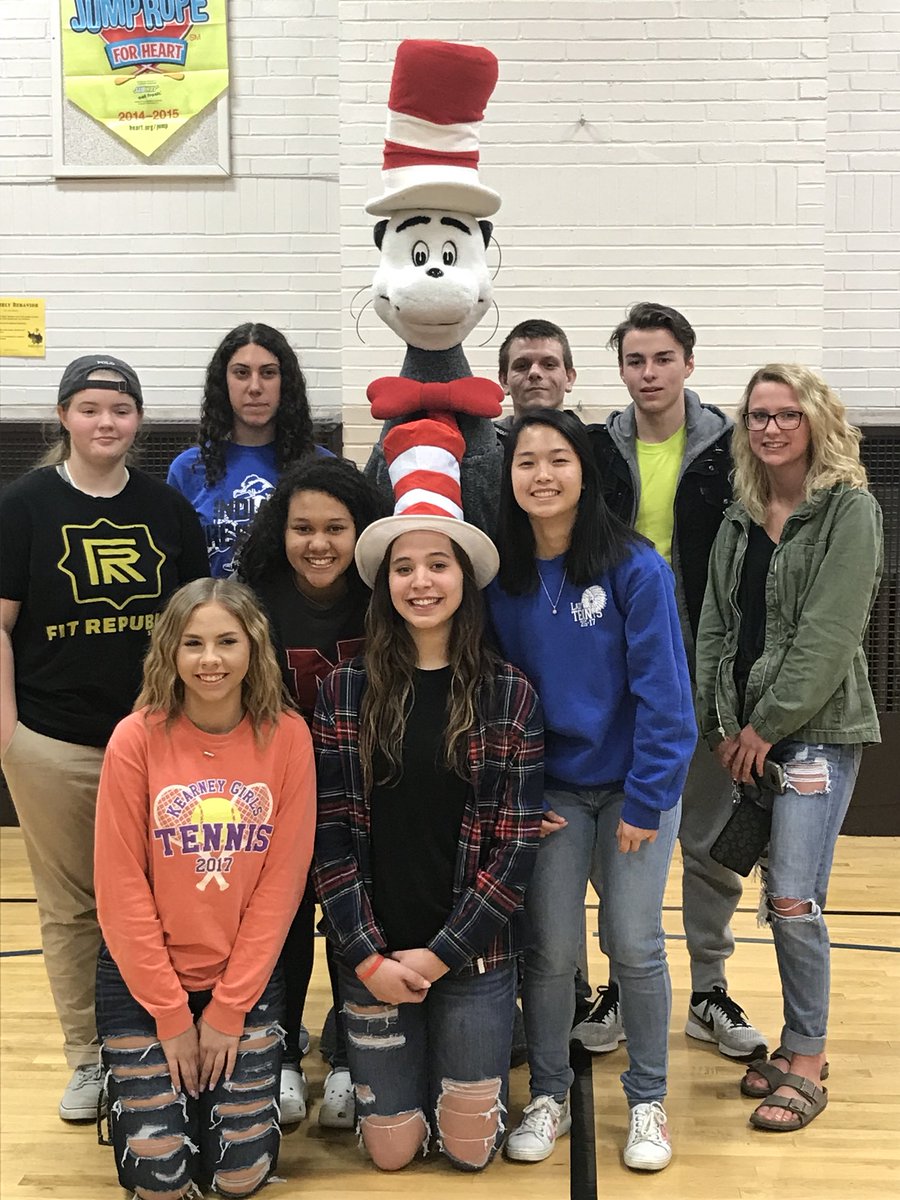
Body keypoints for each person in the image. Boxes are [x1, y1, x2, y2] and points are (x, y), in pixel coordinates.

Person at [0, 354, 209, 1122]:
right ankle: (88, 1059)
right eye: (90, 409)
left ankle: (161, 1039)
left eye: (120, 410)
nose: (105, 423)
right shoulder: (23, 506)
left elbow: (200, 627)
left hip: (158, 742)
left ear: (138, 422)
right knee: (71, 909)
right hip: (53, 744)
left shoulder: (165, 510)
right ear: (64, 417)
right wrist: (8, 735)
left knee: (165, 902)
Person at [487, 409, 696, 1171]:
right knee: (548, 951)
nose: (542, 474)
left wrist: (646, 799)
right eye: (526, 462)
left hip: (635, 786)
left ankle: (647, 1100)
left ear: (585, 471)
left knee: (635, 943)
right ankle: (548, 1091)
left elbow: (667, 699)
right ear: (509, 480)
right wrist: (523, 793)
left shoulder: (635, 568)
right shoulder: (501, 579)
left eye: (557, 459)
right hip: (554, 794)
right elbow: (498, 698)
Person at [312, 505, 544, 1172]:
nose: (422, 581)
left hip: (472, 957)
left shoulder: (510, 695)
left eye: (438, 565)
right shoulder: (343, 691)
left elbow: (516, 851)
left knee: (471, 1152)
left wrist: (441, 955)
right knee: (390, 1152)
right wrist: (366, 957)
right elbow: (328, 837)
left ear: (464, 581)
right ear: (384, 585)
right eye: (404, 567)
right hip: (374, 954)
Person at [695, 364, 882, 1132]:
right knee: (779, 897)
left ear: (815, 421)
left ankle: (807, 1055)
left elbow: (829, 638)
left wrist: (765, 726)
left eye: (786, 415)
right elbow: (714, 625)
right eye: (758, 416)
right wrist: (719, 726)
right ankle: (801, 1039)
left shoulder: (850, 511)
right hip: (748, 739)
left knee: (793, 899)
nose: (770, 428)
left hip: (814, 736)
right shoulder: (741, 515)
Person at [578, 302, 767, 1063]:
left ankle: (709, 990)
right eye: (634, 361)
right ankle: (625, 980)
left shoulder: (732, 448)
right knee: (625, 840)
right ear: (620, 369)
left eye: (661, 359)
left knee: (711, 843)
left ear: (689, 361)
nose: (648, 374)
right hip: (620, 678)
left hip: (710, 677)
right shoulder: (595, 451)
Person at [94, 577, 316, 1198]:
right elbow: (120, 887)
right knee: (161, 1183)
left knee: (238, 1179)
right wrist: (169, 1015)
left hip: (239, 982)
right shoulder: (135, 738)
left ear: (255, 648)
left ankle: (204, 1106)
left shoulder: (288, 738)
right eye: (192, 643)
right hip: (143, 980)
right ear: (169, 651)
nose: (210, 660)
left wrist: (227, 1009)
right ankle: (139, 1100)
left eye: (226, 641)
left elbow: (280, 888)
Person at [237, 456, 386, 1127]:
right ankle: (287, 1058)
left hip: (370, 789)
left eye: (336, 527)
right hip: (281, 794)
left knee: (358, 922)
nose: (318, 542)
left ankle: (353, 1060)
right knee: (285, 924)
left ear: (362, 531)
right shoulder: (257, 598)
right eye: (303, 528)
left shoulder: (383, 592)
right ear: (282, 530)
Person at [167, 323, 333, 577]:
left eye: (268, 373)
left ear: (285, 383)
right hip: (216, 612)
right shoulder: (188, 469)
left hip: (292, 613)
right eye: (242, 373)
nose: (255, 387)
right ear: (224, 382)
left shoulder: (321, 466)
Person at [495, 318, 577, 443]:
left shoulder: (596, 446)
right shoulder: (481, 447)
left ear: (569, 378)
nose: (534, 372)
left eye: (549, 364)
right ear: (505, 381)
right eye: (522, 366)